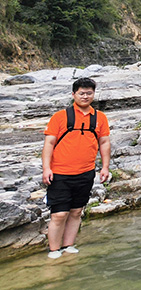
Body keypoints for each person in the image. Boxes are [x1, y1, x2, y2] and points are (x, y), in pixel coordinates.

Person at [41, 77, 110, 259]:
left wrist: (105, 167)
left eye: (89, 93)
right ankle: (54, 250)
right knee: (59, 214)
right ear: (74, 94)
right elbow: (49, 143)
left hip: (86, 172)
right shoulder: (60, 117)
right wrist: (46, 168)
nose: (85, 96)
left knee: (77, 211)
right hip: (60, 173)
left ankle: (69, 245)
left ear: (94, 94)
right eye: (82, 93)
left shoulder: (100, 118)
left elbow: (104, 142)